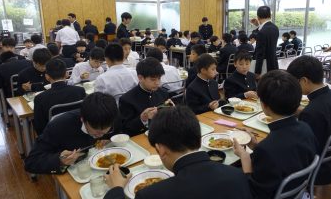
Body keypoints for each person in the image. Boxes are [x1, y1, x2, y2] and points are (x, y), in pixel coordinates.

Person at [104, 106, 252, 199]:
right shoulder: (237, 175)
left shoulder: (150, 195)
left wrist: (116, 190)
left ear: (160, 150)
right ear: (199, 141)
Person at [234, 70, 318, 199]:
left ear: (264, 105)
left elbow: (255, 193)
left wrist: (245, 158)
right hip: (299, 192)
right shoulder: (306, 128)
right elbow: (284, 158)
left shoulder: (267, 148)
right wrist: (255, 146)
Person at [287, 55, 331, 185]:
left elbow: (303, 152)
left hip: (315, 170)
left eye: (294, 82)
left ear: (304, 80)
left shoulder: (312, 112)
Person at [25, 92, 120, 174]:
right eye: (96, 132)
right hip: (75, 173)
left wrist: (109, 139)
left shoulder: (111, 116)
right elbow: (31, 162)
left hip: (108, 169)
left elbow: (119, 133)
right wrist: (60, 160)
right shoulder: (59, 125)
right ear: (83, 119)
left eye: (105, 131)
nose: (100, 135)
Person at [119, 57, 173, 136]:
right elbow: (125, 129)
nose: (157, 83)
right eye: (153, 79)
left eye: (159, 78)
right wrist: (142, 119)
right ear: (140, 78)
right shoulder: (127, 99)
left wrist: (173, 112)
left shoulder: (163, 93)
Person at [33, 59, 86, 135]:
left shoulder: (40, 98)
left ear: (47, 77)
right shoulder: (80, 90)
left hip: (54, 135)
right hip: (78, 131)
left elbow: (39, 127)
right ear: (67, 74)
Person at [252, 6, 279, 78]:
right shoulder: (275, 28)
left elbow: (260, 53)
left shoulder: (262, 32)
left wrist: (257, 71)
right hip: (273, 63)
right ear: (270, 15)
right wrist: (258, 25)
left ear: (258, 17)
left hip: (265, 67)